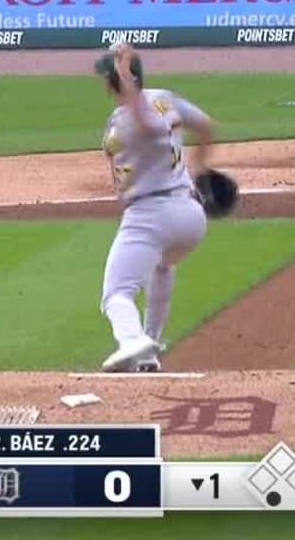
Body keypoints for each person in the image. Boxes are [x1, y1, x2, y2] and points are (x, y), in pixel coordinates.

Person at [95, 42, 218, 374]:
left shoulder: (129, 118)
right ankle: (150, 347)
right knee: (163, 266)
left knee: (116, 293)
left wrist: (124, 74)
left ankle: (132, 339)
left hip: (149, 216)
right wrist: (200, 171)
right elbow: (206, 125)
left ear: (114, 83)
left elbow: (149, 126)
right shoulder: (165, 99)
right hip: (189, 216)